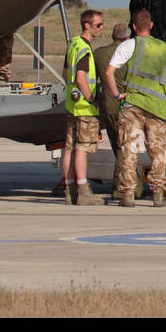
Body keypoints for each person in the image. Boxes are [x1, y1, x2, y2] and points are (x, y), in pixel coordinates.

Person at [102, 9, 166, 208]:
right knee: (157, 152)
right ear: (151, 26)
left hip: (133, 105)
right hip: (157, 108)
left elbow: (109, 72)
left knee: (130, 150)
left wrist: (116, 94)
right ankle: (158, 193)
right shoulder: (165, 48)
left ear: (133, 27)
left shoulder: (130, 45)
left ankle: (128, 194)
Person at [61, 10, 104, 206]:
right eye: (98, 25)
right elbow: (80, 77)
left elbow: (65, 73)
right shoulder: (85, 50)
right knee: (82, 149)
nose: (101, 28)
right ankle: (83, 190)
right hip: (85, 108)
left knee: (69, 148)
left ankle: (69, 191)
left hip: (72, 105)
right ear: (87, 25)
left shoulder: (73, 45)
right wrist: (91, 97)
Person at [94, 22, 141, 198]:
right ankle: (122, 187)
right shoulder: (131, 53)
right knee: (125, 147)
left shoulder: (99, 53)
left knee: (118, 144)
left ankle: (132, 183)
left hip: (107, 104)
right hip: (125, 102)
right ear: (127, 38)